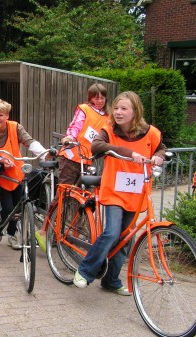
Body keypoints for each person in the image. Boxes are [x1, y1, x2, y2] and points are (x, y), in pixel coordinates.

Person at [73, 91, 166, 296]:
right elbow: (96, 145)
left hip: (136, 191)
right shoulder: (109, 130)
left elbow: (161, 148)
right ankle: (85, 270)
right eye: (116, 108)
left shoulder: (150, 132)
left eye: (124, 108)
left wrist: (158, 156)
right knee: (112, 232)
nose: (118, 112)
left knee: (125, 238)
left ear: (135, 111)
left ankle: (111, 281)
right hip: (114, 190)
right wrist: (129, 153)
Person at [35, 83, 109, 251]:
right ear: (90, 97)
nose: (100, 100)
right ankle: (44, 230)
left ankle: (74, 231)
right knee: (63, 193)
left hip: (87, 160)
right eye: (96, 97)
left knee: (83, 198)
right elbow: (76, 125)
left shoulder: (108, 117)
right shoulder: (84, 109)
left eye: (102, 97)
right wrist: (69, 137)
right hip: (71, 157)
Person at [0, 99, 48, 249]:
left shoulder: (15, 127)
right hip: (2, 174)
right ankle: (0, 223)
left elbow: (29, 142)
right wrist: (2, 160)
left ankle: (12, 234)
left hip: (17, 173)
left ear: (7, 115)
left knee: (19, 206)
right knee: (8, 208)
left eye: (1, 115)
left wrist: (44, 154)